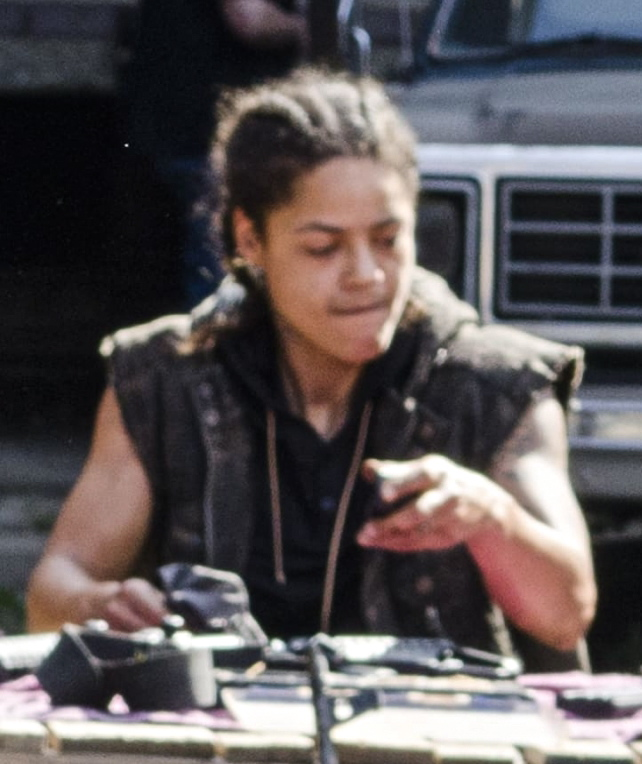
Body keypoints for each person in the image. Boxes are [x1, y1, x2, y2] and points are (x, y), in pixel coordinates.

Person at [27, 67, 597, 672]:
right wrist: (100, 604)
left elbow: (567, 615)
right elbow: (51, 593)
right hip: (219, 721)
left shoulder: (500, 385)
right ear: (250, 239)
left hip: (437, 718)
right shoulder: (162, 378)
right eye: (324, 247)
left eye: (388, 239)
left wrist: (491, 518)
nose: (366, 275)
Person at [121, 0, 309, 307]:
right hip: (211, 126)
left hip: (181, 118)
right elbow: (249, 19)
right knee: (219, 277)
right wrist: (304, 28)